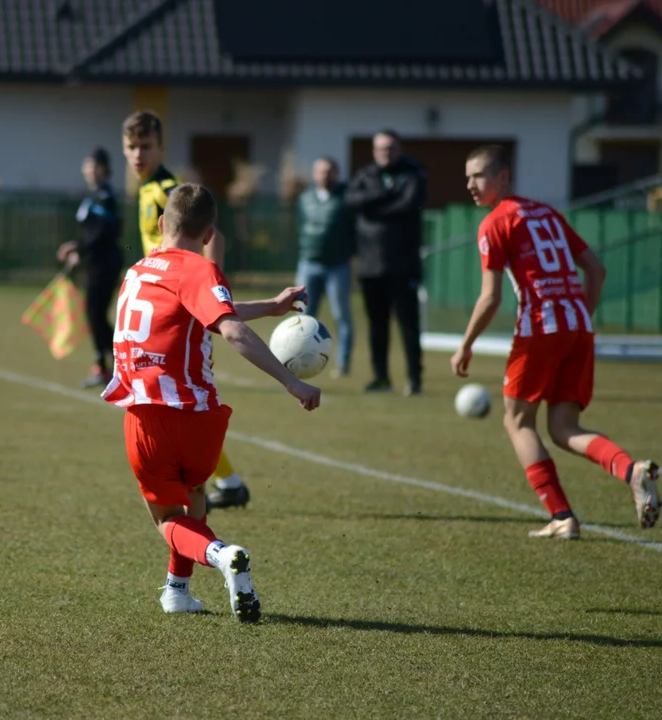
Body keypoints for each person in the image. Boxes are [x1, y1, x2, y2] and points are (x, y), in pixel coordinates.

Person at [102, 183, 321, 622]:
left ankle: (221, 556)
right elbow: (215, 313)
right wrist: (291, 383)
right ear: (208, 236)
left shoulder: (139, 270)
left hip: (148, 415)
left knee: (167, 520)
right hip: (201, 421)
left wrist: (271, 311)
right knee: (195, 495)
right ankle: (177, 591)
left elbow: (225, 322)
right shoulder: (200, 271)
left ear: (162, 224)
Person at [453, 144, 661, 539]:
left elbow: (490, 297)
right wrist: (579, 316)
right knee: (564, 426)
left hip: (539, 328)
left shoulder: (495, 223)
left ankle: (562, 516)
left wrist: (465, 345)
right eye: (467, 177)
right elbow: (596, 270)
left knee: (517, 422)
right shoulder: (547, 213)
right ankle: (632, 470)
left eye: (478, 175)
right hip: (578, 326)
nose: (470, 185)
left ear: (503, 177)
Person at [121, 109, 248, 511]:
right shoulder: (144, 190)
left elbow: (215, 236)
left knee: (179, 403)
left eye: (146, 146)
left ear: (161, 146)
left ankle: (219, 483)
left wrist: (211, 290)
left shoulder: (167, 190)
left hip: (179, 301)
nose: (138, 154)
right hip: (161, 301)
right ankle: (226, 481)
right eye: (132, 147)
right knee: (174, 404)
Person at [345, 129, 427, 396]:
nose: (385, 153)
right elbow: (351, 201)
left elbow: (408, 204)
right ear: (373, 151)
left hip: (403, 264)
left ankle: (414, 379)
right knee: (377, 325)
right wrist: (385, 195)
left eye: (390, 148)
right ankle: (381, 377)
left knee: (408, 324)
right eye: (381, 148)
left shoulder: (413, 172)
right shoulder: (365, 174)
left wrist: (372, 210)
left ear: (399, 149)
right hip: (370, 265)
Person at [57, 148, 124, 388]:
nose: (89, 169)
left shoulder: (105, 195)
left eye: (94, 165)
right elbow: (88, 231)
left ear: (104, 168)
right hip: (95, 263)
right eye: (87, 164)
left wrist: (78, 250)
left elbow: (103, 232)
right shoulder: (93, 194)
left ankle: (116, 365)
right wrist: (76, 247)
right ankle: (105, 367)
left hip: (105, 264)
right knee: (94, 316)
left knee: (96, 315)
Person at [295, 156, 356, 377]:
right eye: (321, 171)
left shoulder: (345, 198)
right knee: (303, 315)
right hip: (309, 264)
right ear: (314, 174)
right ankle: (298, 358)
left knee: (341, 315)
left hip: (337, 266)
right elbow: (300, 227)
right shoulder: (305, 199)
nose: (325, 175)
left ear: (337, 173)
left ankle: (343, 363)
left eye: (330, 171)